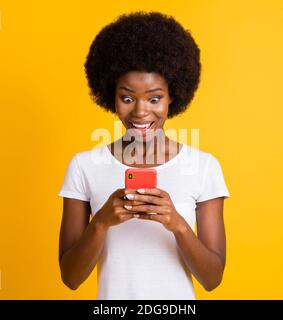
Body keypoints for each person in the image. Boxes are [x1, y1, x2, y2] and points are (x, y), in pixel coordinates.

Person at [58, 11, 230, 300]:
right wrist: (101, 222)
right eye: (127, 98)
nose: (140, 112)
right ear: (110, 96)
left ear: (172, 96)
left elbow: (212, 278)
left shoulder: (203, 167)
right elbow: (70, 277)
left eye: (154, 98)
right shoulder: (84, 166)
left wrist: (176, 224)